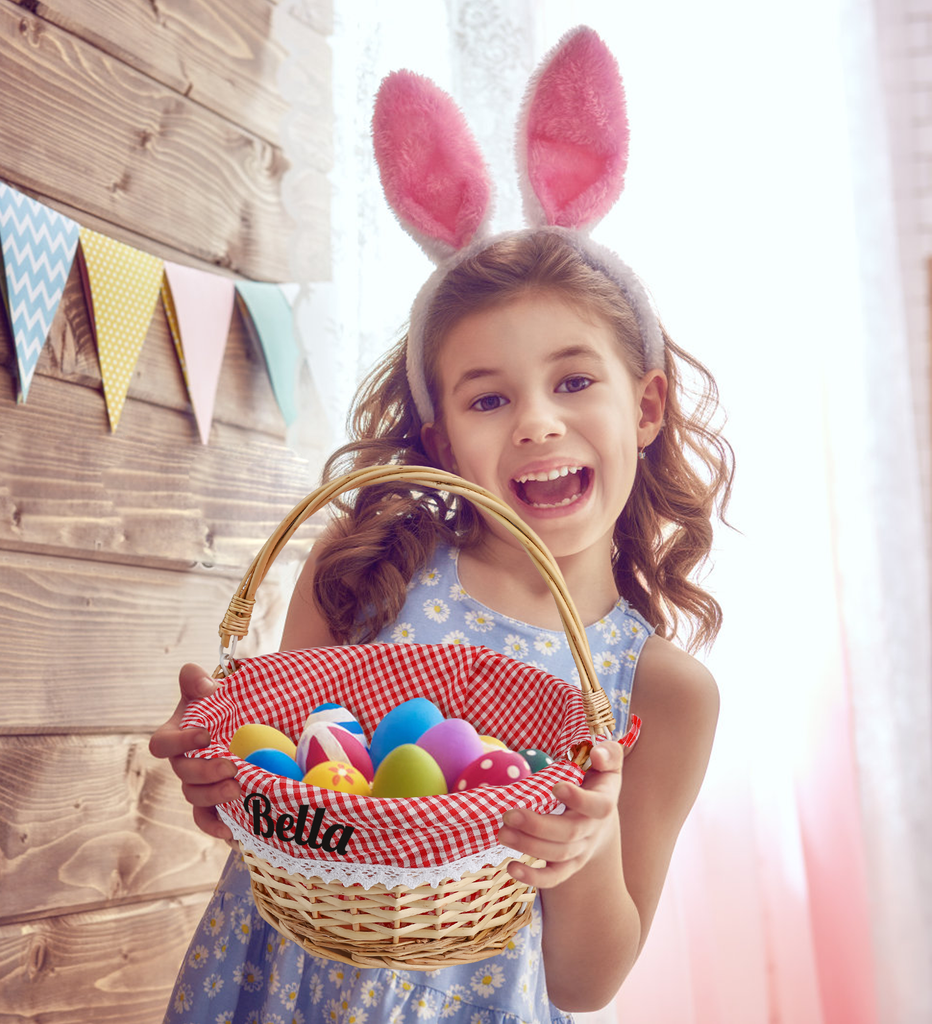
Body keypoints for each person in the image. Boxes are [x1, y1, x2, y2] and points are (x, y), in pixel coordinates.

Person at [150, 26, 732, 1024]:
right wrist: (230, 774)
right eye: (488, 398)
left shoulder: (662, 691)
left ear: (642, 405)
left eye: (573, 379)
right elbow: (285, 816)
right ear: (439, 435)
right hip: (274, 988)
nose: (539, 418)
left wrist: (577, 848)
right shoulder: (365, 573)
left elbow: (586, 984)